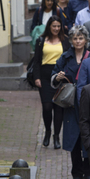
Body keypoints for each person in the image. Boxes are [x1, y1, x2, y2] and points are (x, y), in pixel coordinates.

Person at [52, 26, 90, 179]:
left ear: (86, 40)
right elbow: (54, 74)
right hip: (71, 105)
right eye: (75, 38)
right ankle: (76, 173)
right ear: (71, 40)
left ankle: (89, 172)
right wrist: (58, 77)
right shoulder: (65, 57)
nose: (78, 41)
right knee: (74, 138)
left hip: (88, 102)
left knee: (88, 136)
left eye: (81, 38)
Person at [32, 16, 70, 148]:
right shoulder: (41, 40)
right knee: (47, 107)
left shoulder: (65, 40)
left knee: (58, 108)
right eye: (54, 26)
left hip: (59, 76)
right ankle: (48, 131)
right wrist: (37, 78)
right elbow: (36, 60)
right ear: (49, 26)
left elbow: (68, 59)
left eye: (58, 26)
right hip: (44, 76)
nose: (56, 28)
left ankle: (56, 137)